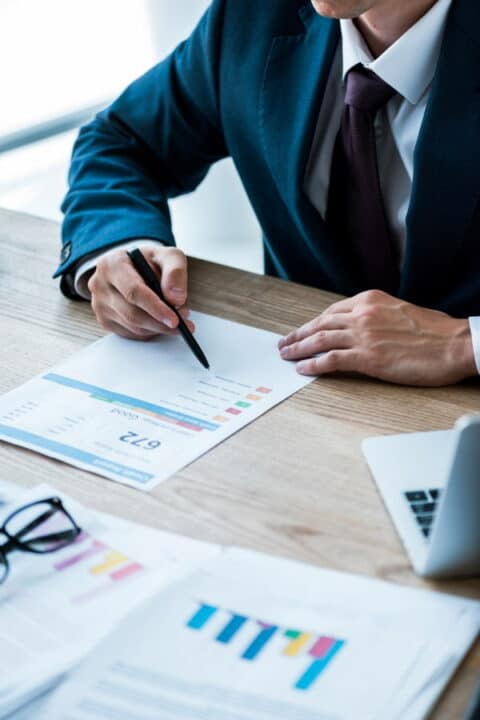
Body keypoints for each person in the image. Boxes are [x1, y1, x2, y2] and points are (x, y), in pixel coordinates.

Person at [56, 0, 480, 387]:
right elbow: (121, 140)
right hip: (293, 394)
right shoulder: (252, 15)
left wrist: (465, 344)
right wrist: (121, 247)